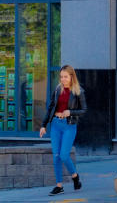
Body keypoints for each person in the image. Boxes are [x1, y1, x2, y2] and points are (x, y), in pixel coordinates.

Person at [39, 65, 86, 196]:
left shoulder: (78, 91)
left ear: (72, 76)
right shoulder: (58, 89)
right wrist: (43, 125)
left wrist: (70, 112)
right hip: (55, 125)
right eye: (61, 77)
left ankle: (75, 176)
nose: (63, 79)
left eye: (65, 76)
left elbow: (84, 110)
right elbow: (50, 108)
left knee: (64, 155)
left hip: (69, 126)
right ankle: (59, 186)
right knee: (56, 156)